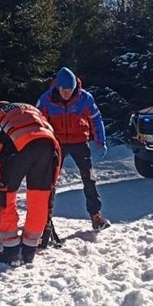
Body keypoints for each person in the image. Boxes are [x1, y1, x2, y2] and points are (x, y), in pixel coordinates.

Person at [0, 102, 60, 266]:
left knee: (6, 197)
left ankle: (11, 250)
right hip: (48, 146)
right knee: (39, 198)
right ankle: (29, 250)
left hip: (17, 150)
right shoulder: (31, 109)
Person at [37, 66, 110, 232]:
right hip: (57, 143)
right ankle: (45, 219)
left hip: (79, 141)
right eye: (63, 90)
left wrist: (101, 140)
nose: (66, 93)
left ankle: (96, 216)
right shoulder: (46, 99)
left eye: (70, 90)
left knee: (89, 178)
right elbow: (38, 123)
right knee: (50, 180)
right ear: (58, 87)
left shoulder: (85, 98)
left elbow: (96, 120)